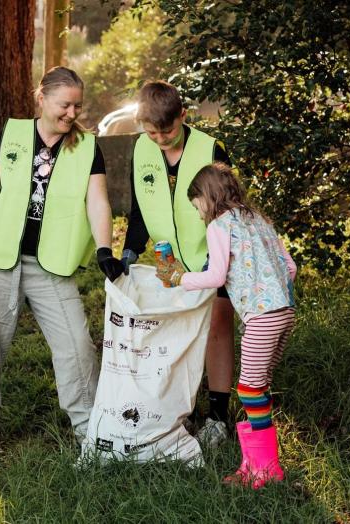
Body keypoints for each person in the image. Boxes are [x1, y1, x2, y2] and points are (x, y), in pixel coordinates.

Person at [0, 66, 124, 460]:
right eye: (65, 105)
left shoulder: (87, 146)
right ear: (41, 98)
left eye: (78, 106)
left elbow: (97, 200)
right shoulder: (12, 133)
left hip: (51, 265)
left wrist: (103, 249)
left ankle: (89, 430)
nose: (72, 113)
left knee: (77, 346)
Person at [162, 162, 297, 489]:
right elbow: (290, 268)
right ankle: (254, 465)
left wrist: (180, 278)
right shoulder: (260, 221)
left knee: (250, 389)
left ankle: (266, 470)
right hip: (285, 313)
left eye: (197, 206)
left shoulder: (219, 227)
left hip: (262, 318)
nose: (198, 213)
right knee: (257, 387)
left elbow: (216, 277)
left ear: (208, 198)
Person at [121, 80, 236, 447]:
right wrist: (129, 249)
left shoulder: (210, 147)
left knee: (217, 328)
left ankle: (219, 415)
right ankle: (176, 412)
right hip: (166, 256)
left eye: (166, 131)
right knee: (176, 331)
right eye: (151, 132)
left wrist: (215, 262)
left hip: (211, 254)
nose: (159, 139)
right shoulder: (141, 149)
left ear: (182, 117)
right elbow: (139, 207)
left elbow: (229, 210)